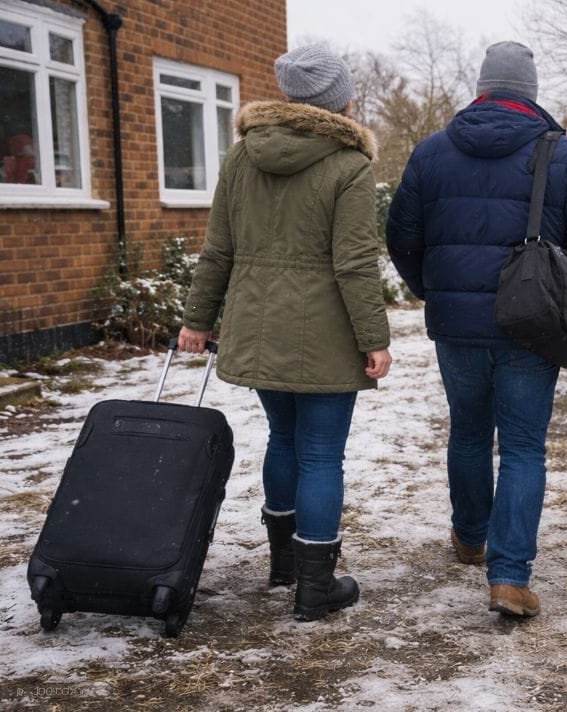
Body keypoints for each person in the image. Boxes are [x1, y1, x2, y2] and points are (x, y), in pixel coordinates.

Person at [386, 41, 567, 618]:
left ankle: (469, 536)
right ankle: (509, 577)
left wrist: (432, 289)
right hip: (533, 325)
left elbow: (400, 235)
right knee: (521, 445)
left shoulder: (431, 153)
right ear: (531, 93)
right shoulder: (565, 156)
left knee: (468, 433)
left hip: (457, 325)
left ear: (481, 87)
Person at [177, 43, 392, 622]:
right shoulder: (349, 165)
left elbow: (217, 249)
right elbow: (354, 263)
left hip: (258, 326)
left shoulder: (242, 157)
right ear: (339, 100)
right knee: (322, 455)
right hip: (324, 336)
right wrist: (375, 337)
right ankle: (315, 588)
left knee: (284, 440)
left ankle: (284, 567)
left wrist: (197, 320)